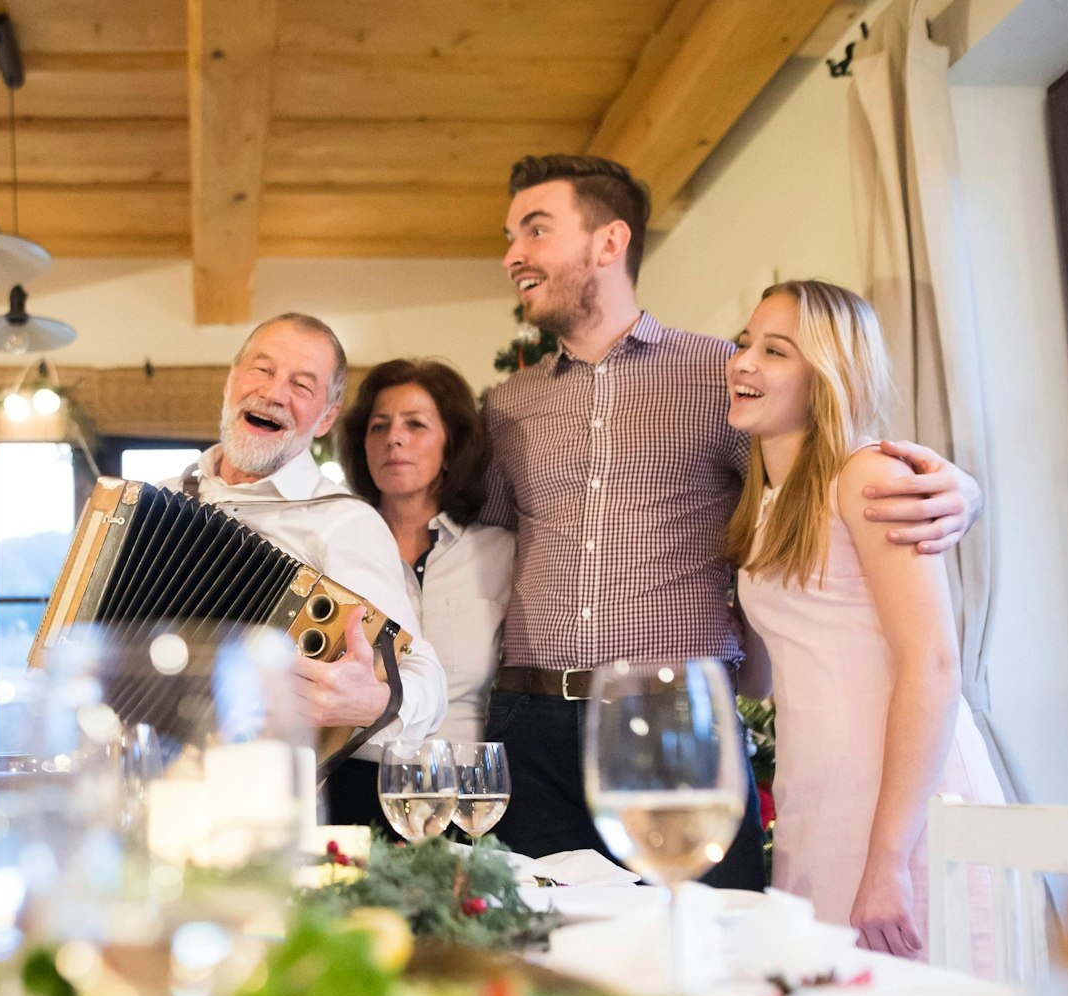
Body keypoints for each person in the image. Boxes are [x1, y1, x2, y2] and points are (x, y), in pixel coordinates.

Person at [482, 154, 983, 884]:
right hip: (528, 726)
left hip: (677, 726)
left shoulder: (725, 378)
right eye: (510, 235)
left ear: (609, 242)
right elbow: (471, 547)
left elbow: (826, 468)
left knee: (715, 955)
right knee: (551, 964)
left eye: (534, 230)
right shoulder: (505, 407)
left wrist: (963, 488)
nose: (512, 255)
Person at [727, 280, 1002, 962]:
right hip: (816, 801)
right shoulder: (766, 505)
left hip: (901, 807)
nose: (743, 363)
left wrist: (889, 859)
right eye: (743, 345)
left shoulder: (867, 475)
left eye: (775, 350)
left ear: (826, 374)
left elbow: (935, 664)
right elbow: (763, 678)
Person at [170, 313, 447, 822]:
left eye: (301, 385)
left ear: (325, 417)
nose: (274, 393)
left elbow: (422, 672)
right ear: (231, 381)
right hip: (155, 790)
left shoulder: (341, 524)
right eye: (262, 370)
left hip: (267, 809)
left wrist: (375, 703)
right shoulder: (158, 501)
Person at [336, 359, 514, 748]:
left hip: (463, 782)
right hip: (356, 775)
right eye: (378, 426)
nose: (393, 438)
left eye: (415, 424)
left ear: (451, 447)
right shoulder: (338, 545)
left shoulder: (499, 552)